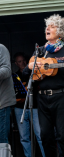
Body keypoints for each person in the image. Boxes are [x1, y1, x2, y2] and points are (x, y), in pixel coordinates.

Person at [23, 14, 64, 156]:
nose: (48, 28)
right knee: (45, 136)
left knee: (62, 136)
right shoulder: (40, 50)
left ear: (60, 32)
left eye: (52, 27)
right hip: (42, 98)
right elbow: (24, 71)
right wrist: (31, 68)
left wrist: (57, 66)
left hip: (61, 97)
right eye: (47, 26)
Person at [13, 52, 45, 157]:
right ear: (16, 63)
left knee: (39, 135)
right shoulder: (15, 76)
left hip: (34, 106)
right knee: (24, 137)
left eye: (23, 60)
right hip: (19, 108)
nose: (23, 63)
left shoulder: (33, 72)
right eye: (20, 61)